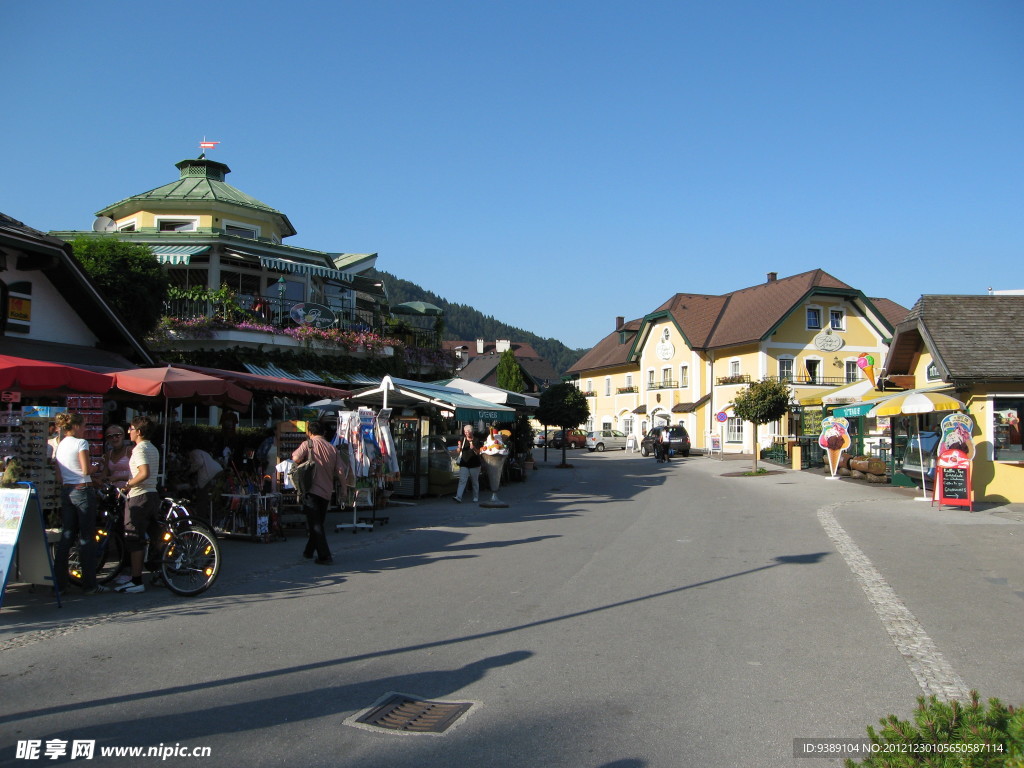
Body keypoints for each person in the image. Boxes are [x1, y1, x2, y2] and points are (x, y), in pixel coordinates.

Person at [53, 412, 105, 594]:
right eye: (83, 425)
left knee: (66, 536)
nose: (85, 429)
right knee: (86, 538)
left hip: (67, 490)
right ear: (75, 426)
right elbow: (85, 470)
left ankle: (59, 584)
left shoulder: (60, 445)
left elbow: (59, 475)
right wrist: (98, 466)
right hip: (82, 490)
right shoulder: (81, 443)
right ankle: (89, 584)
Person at [291, 421, 350, 565]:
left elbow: (295, 458)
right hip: (326, 492)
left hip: (311, 490)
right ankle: (308, 551)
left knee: (316, 524)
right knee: (317, 522)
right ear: (323, 433)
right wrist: (344, 489)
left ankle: (325, 556)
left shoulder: (308, 444)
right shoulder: (332, 449)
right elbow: (341, 471)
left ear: (309, 433)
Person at [115, 416, 161, 594]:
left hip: (139, 497)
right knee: (153, 534)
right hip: (152, 495)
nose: (129, 431)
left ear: (139, 432)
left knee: (134, 538)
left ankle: (136, 580)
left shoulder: (139, 449)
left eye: (131, 428)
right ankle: (159, 572)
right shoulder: (153, 448)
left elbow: (144, 473)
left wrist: (128, 485)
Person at [453, 425, 481, 503]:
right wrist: (459, 447)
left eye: (467, 432)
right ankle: (458, 497)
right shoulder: (463, 439)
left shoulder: (476, 440)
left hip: (475, 464)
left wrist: (474, 448)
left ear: (471, 432)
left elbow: (479, 452)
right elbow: (458, 451)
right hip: (464, 463)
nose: (466, 433)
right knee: (462, 480)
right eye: (465, 432)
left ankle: (475, 497)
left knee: (474, 481)